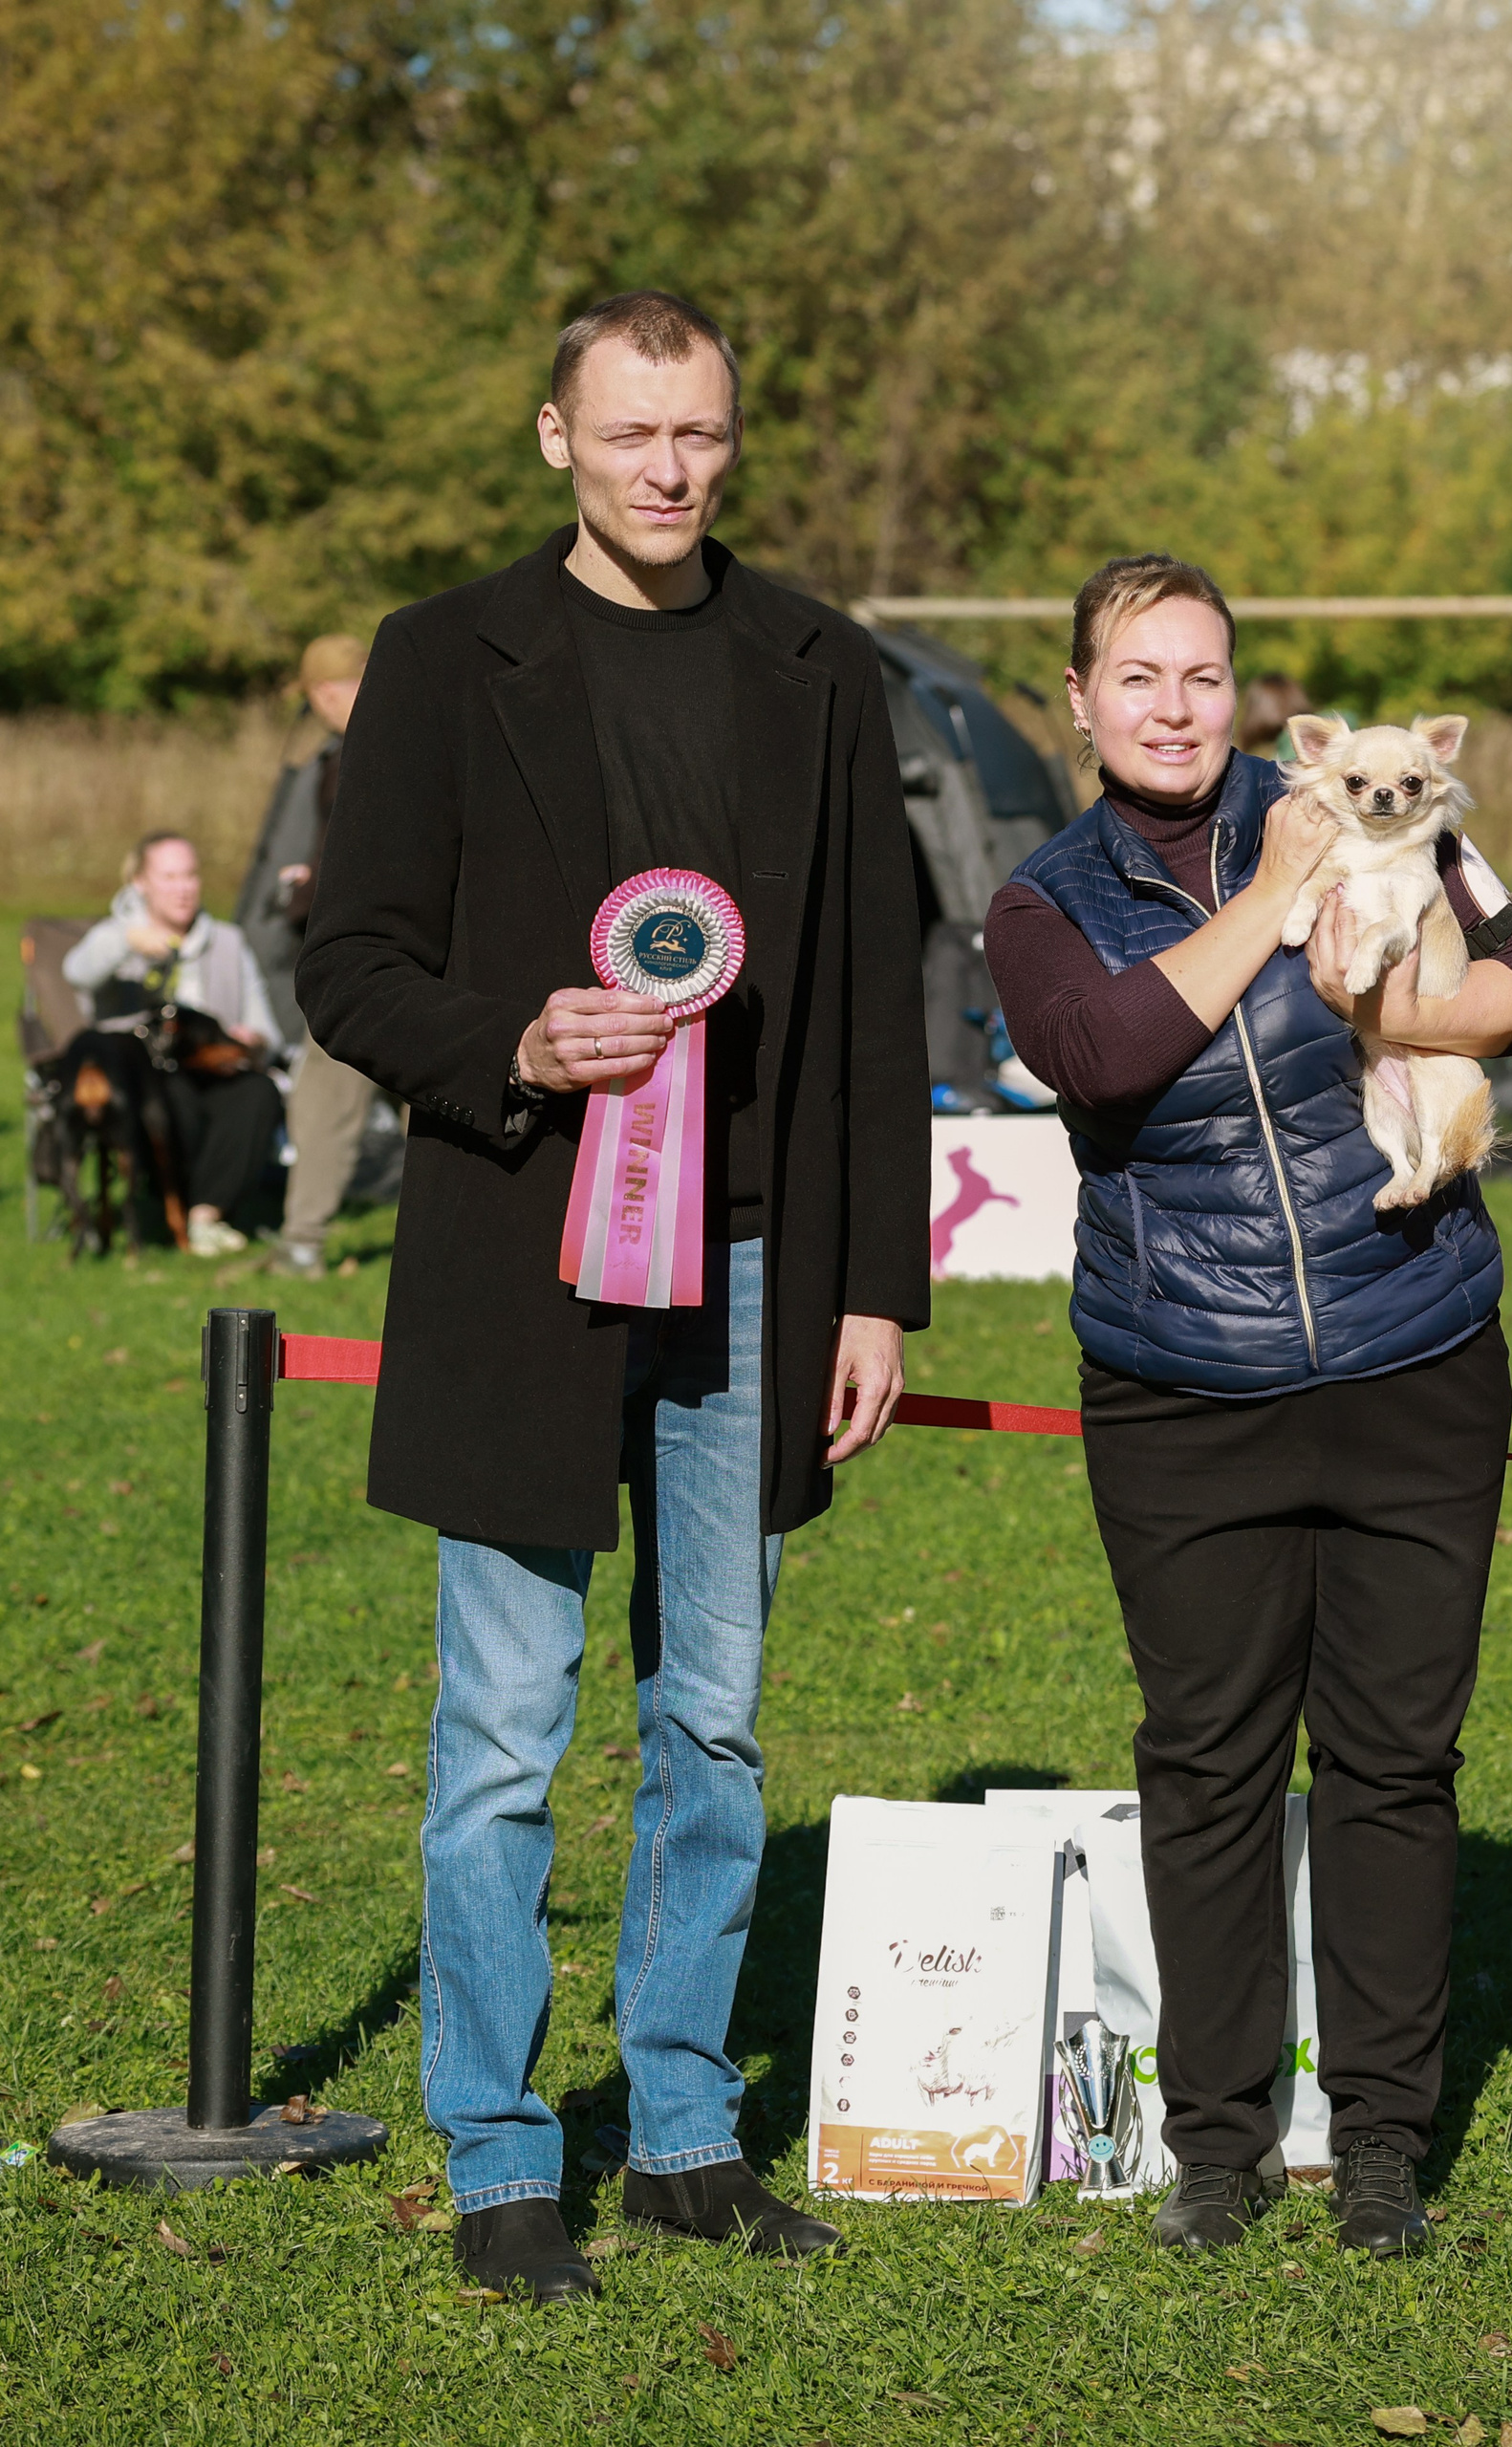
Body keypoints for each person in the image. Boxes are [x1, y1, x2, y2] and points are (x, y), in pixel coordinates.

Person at [295, 290, 929, 2305]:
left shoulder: (819, 666)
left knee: (716, 1723)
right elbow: (353, 961)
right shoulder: (435, 657)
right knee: (501, 1727)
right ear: (553, 434)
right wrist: (515, 1043)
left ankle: (675, 2127)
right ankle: (497, 2150)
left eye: (705, 437)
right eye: (635, 432)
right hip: (525, 1264)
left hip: (756, 1271)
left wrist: (877, 1286)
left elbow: (865, 1002)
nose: (672, 468)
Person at [982, 553, 1512, 2260]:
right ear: (1082, 701)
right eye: (1138, 677)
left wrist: (1426, 1000)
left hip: (1415, 1354)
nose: (1176, 707)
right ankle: (1218, 2145)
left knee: (1396, 1763)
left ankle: (1382, 2138)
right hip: (1189, 1386)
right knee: (1210, 1766)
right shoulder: (1045, 901)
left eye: (1204, 675)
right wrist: (1275, 892)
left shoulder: (1382, 799)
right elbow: (1095, 1061)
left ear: (1244, 693)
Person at [234, 635, 384, 1279]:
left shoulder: (364, 751)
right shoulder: (417, 734)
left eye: (326, 693)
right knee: (440, 1095)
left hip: (370, 952)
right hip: (423, 949)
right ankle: (497, 1244)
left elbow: (357, 857)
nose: (324, 704)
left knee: (325, 1094)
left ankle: (302, 1243)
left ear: (331, 690)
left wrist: (302, 901)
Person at [64, 833, 283, 1257]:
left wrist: (250, 1040)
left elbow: (266, 1032)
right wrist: (127, 942)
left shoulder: (229, 943)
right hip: (145, 1082)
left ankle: (206, 1214)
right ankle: (170, 1205)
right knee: (168, 1093)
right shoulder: (117, 938)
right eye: (169, 876)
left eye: (190, 875)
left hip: (215, 1074)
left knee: (259, 1092)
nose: (183, 887)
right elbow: (77, 972)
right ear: (140, 883)